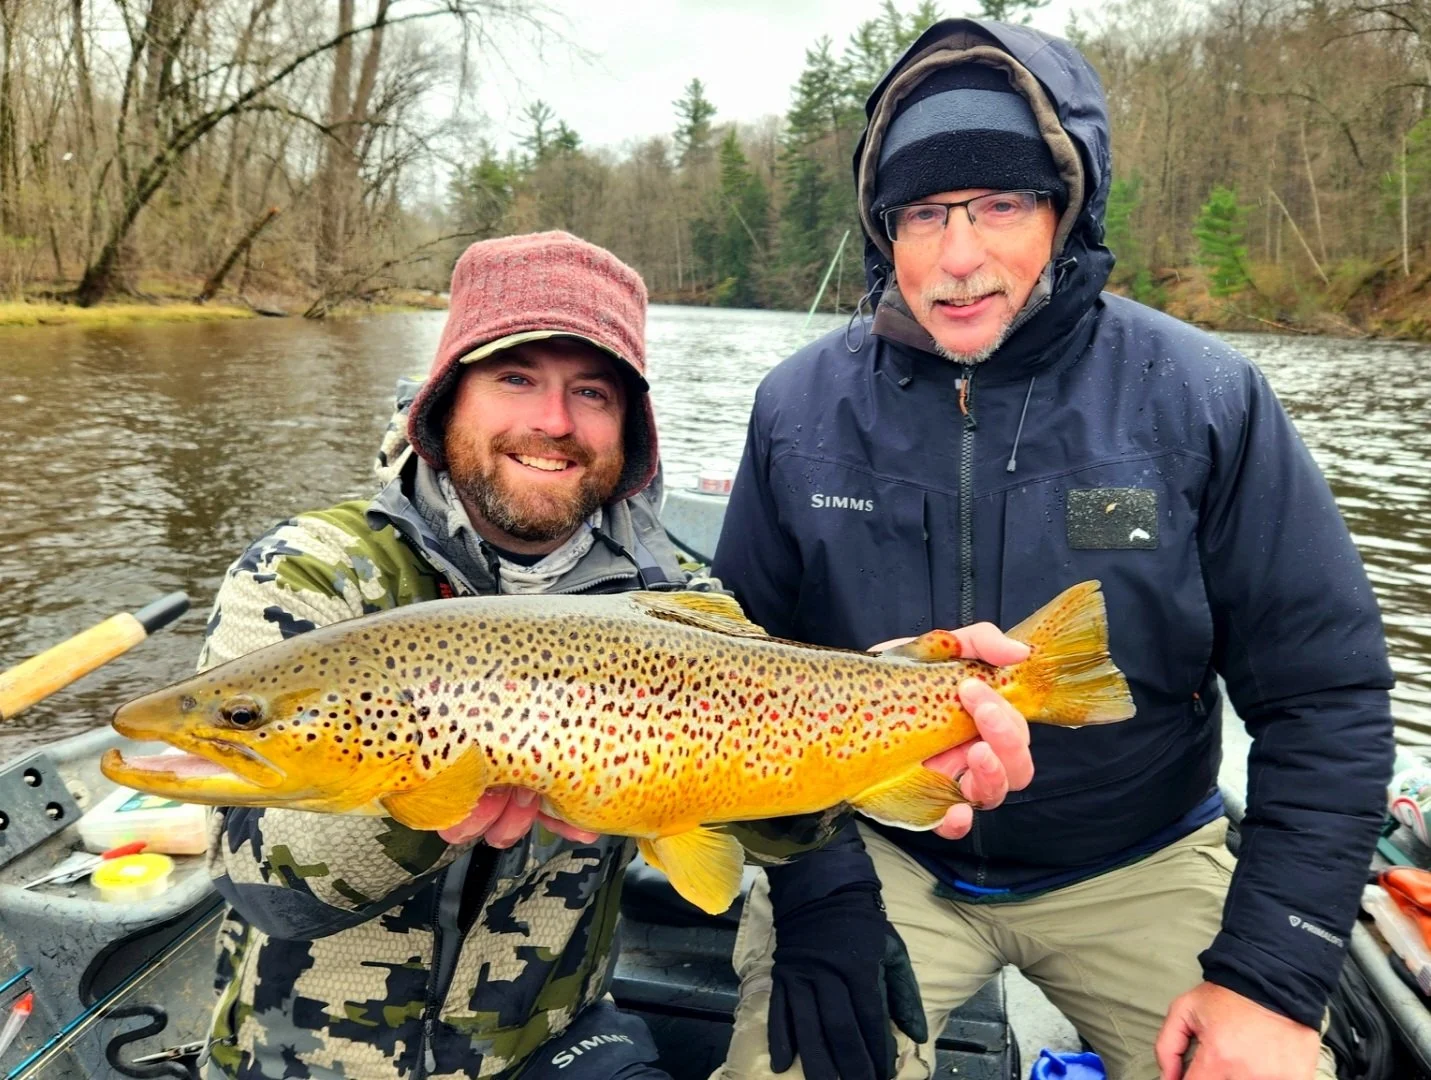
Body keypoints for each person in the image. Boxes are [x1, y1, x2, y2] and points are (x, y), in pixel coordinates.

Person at [711, 17, 1394, 1080]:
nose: (960, 256)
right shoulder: (797, 407)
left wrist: (1270, 978)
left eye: (1000, 204)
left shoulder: (1207, 398)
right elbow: (728, 689)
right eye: (925, 213)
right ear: (883, 230)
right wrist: (815, 884)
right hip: (879, 855)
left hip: (1142, 863)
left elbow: (1326, 697)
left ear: (1065, 210)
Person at [197, 231, 724, 1080]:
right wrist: (420, 811)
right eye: (514, 377)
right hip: (308, 1057)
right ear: (446, 399)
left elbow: (774, 824)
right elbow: (261, 882)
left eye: (590, 391)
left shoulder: (681, 606)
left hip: (547, 1040)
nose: (552, 423)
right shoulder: (308, 573)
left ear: (630, 425)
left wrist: (923, 735)